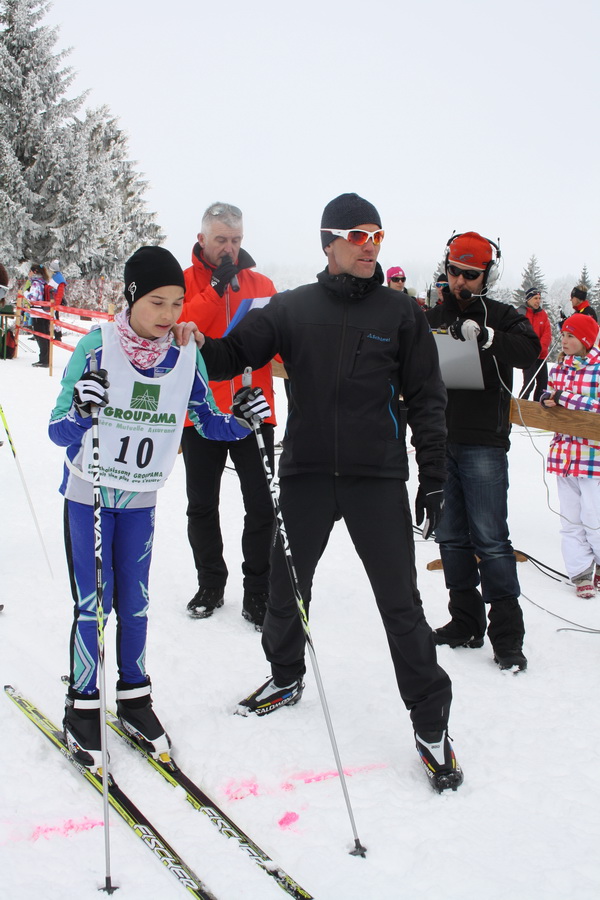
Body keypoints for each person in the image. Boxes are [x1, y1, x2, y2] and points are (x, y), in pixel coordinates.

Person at [198, 192, 463, 793]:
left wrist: (435, 473)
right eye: (360, 234)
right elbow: (230, 355)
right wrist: (187, 334)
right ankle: (285, 674)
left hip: (376, 478)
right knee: (287, 585)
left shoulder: (402, 314)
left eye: (378, 235)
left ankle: (430, 724)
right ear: (330, 242)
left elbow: (427, 397)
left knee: (401, 604)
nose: (371, 244)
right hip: (308, 473)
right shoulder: (293, 308)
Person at [48, 246, 271, 772]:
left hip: (140, 498)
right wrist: (81, 410)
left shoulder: (185, 355)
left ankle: (134, 698)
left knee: (137, 603)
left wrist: (242, 420)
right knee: (93, 603)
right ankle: (82, 707)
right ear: (131, 297)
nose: (169, 315)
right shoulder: (97, 348)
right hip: (91, 495)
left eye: (176, 303)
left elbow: (208, 423)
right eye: (156, 303)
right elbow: (58, 430)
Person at [425, 232, 541, 672]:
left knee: (491, 541)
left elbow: (531, 349)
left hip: (484, 442)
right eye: (455, 271)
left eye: (471, 275)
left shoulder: (504, 316)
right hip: (440, 439)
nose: (461, 281)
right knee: (451, 537)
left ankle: (508, 637)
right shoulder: (433, 316)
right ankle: (465, 622)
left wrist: (490, 338)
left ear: (487, 275)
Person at [179, 202, 277, 628]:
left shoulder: (260, 283)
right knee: (202, 504)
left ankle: (258, 589)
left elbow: (275, 342)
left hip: (253, 409)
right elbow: (182, 330)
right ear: (202, 239)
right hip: (201, 411)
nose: (229, 249)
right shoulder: (183, 283)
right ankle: (210, 583)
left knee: (262, 504)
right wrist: (216, 288)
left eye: (236, 241)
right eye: (221, 240)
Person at [541, 314, 600, 598]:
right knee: (571, 518)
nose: (564, 341)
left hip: (593, 455)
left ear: (586, 340)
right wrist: (548, 399)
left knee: (594, 516)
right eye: (563, 335)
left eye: (571, 336)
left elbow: (595, 406)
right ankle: (580, 572)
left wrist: (564, 398)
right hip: (564, 454)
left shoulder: (598, 368)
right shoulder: (560, 367)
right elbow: (552, 395)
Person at [518, 288, 552, 401]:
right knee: (529, 384)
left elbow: (547, 334)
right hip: (528, 356)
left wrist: (539, 350)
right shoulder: (522, 313)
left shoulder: (543, 315)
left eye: (539, 298)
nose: (538, 301)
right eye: (535, 298)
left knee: (543, 384)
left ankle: (537, 409)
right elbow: (520, 334)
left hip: (541, 356)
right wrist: (530, 351)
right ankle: (521, 407)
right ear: (528, 299)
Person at [25, 263, 50, 367]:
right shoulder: (44, 281)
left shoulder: (35, 283)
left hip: (37, 313)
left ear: (34, 272)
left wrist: (26, 293)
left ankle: (43, 360)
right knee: (45, 336)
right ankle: (46, 358)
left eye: (30, 271)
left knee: (40, 336)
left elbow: (33, 298)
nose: (29, 273)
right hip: (45, 312)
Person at [48, 259, 67, 339]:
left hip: (55, 302)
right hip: (53, 301)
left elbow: (60, 292)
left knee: (55, 318)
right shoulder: (54, 277)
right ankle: (55, 334)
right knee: (54, 318)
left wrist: (56, 304)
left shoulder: (58, 278)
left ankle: (58, 335)